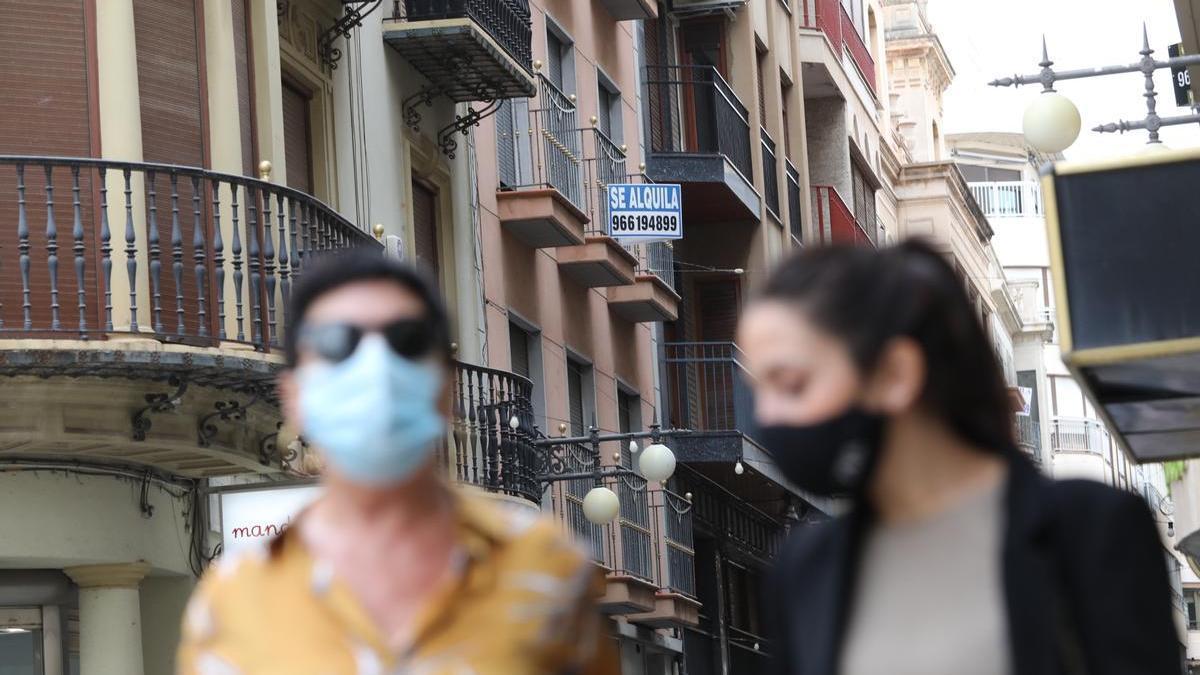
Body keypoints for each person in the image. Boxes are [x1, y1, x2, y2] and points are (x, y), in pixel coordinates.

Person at [737, 240, 1180, 675]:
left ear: (895, 374)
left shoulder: (1092, 531)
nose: (767, 417)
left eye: (792, 385)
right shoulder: (805, 572)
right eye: (760, 391)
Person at [177, 250, 617, 674]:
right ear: (295, 396)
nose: (376, 368)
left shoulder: (549, 571)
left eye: (406, 342)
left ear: (446, 389)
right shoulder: (235, 601)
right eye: (337, 344)